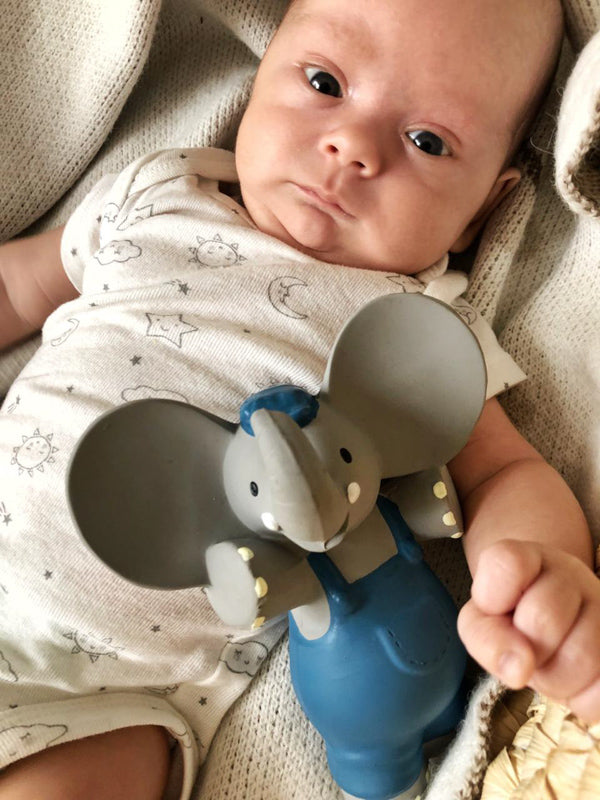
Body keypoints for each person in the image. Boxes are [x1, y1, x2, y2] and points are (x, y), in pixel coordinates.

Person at [0, 0, 597, 798]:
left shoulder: (409, 332)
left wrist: (541, 570)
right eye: (324, 83)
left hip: (109, 693)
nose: (352, 146)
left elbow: (502, 474)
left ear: (483, 207)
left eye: (427, 141)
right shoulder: (157, 193)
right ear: (261, 77)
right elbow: (18, 286)